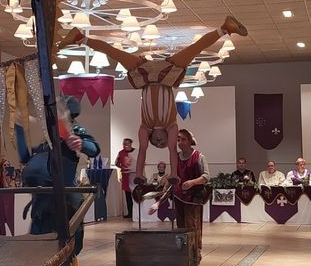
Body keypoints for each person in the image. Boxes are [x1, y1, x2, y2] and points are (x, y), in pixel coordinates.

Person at [58, 15, 247, 185]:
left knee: (113, 52)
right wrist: (174, 173)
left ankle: (81, 38)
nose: (158, 142)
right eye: (161, 143)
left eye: (155, 143)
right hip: (167, 73)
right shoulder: (171, 125)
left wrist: (139, 174)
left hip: (144, 74)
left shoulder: (145, 127)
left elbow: (142, 150)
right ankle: (224, 28)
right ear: (167, 138)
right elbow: (173, 151)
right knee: (195, 49)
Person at [20, 96, 100, 254]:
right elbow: (25, 158)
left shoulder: (74, 130)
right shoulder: (46, 138)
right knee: (39, 242)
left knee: (67, 242)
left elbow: (94, 148)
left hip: (64, 197)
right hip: (42, 199)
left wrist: (80, 143)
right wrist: (19, 129)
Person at [173, 129, 210, 261]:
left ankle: (196, 252)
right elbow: (173, 176)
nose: (180, 142)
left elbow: (206, 176)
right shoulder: (175, 157)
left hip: (194, 197)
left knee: (193, 226)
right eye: (178, 139)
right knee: (181, 226)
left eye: (183, 139)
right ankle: (184, 252)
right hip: (179, 197)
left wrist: (192, 182)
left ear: (189, 141)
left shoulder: (199, 156)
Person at [115, 138, 137, 218]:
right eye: (124, 144)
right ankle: (130, 213)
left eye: (127, 144)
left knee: (135, 194)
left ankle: (137, 213)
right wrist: (121, 166)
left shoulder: (136, 152)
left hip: (134, 175)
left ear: (131, 144)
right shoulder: (121, 153)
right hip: (126, 176)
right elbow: (117, 163)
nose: (125, 145)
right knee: (128, 195)